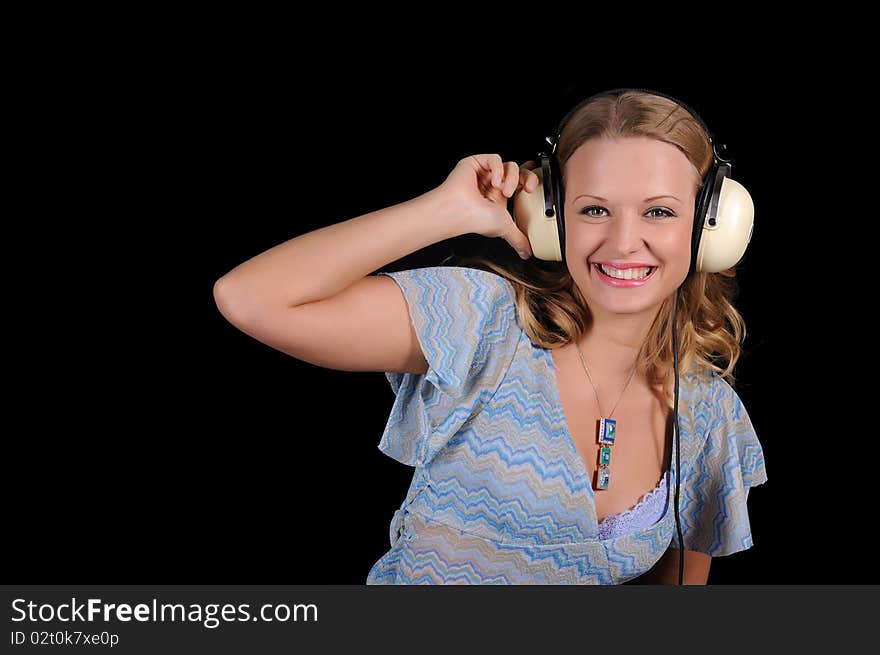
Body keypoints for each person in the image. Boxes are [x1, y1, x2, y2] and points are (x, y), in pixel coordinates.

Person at [213, 90, 768, 585]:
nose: (624, 242)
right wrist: (444, 210)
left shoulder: (706, 414)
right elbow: (251, 297)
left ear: (709, 229)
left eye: (659, 212)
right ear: (550, 219)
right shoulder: (482, 323)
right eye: (593, 209)